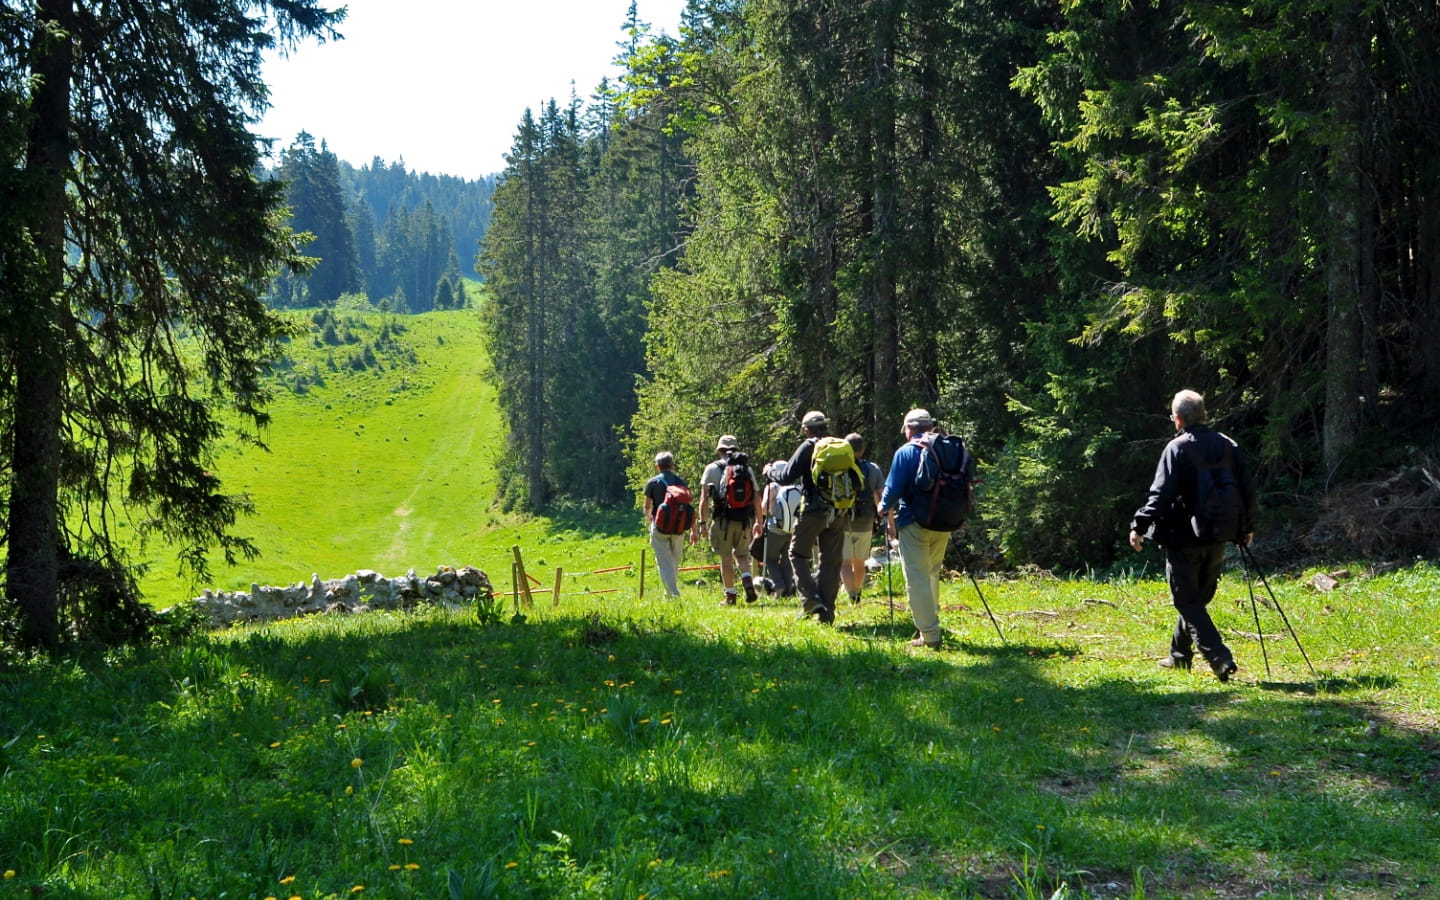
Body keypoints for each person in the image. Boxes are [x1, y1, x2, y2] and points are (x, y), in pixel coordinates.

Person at [1128, 389, 1256, 682]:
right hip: (1220, 535)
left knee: (1188, 601)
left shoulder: (1177, 448)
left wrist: (1138, 526)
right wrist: (1247, 527)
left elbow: (1160, 495)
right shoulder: (1228, 446)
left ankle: (1220, 658)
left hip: (1184, 538)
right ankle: (1179, 656)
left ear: (1179, 419)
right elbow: (1248, 489)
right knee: (1195, 599)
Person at [878, 409, 960, 649]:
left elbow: (892, 490)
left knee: (917, 577)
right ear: (930, 426)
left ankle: (930, 635)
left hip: (914, 521)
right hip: (944, 521)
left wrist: (883, 509)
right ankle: (931, 622)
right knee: (932, 572)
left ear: (909, 429)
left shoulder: (906, 452)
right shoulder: (946, 448)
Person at [772, 410, 850, 623]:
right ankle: (827, 613)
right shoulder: (840, 445)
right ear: (825, 425)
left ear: (806, 429)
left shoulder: (809, 446)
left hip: (813, 510)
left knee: (797, 554)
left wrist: (770, 471)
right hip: (839, 510)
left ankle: (810, 599)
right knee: (830, 562)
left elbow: (786, 475)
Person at [698, 434, 764, 605]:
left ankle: (731, 596)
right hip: (743, 521)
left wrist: (702, 523)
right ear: (737, 449)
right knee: (742, 556)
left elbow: (704, 498)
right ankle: (747, 579)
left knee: (726, 559)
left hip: (722, 522)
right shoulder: (745, 469)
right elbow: (756, 498)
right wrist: (759, 521)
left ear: (719, 450)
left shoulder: (711, 469)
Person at [841, 433, 884, 605]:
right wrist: (885, 517)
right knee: (859, 562)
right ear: (863, 449)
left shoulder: (840, 468)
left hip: (843, 521)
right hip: (865, 521)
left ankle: (851, 594)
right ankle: (857, 592)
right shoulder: (873, 469)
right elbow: (880, 495)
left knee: (844, 563)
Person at [642, 451, 691, 599]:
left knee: (664, 562)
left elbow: (647, 506)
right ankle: (668, 593)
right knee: (674, 561)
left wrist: (649, 519)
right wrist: (693, 529)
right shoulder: (680, 482)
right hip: (679, 527)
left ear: (657, 466)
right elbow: (689, 506)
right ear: (672, 465)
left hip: (660, 527)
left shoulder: (652, 483)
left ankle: (673, 593)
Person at [752, 460, 799, 598]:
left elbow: (765, 508)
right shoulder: (795, 486)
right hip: (791, 530)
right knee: (786, 560)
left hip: (775, 528)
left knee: (770, 559)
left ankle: (779, 587)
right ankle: (789, 591)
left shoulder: (772, 486)